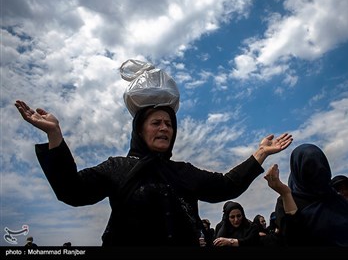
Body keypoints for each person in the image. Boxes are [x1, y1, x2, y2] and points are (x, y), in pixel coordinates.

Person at [14, 100, 293, 246]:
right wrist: (55, 135)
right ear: (139, 129)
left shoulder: (183, 172)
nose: (164, 128)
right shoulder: (117, 168)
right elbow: (71, 192)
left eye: (169, 124)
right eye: (156, 122)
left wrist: (260, 154)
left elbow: (226, 186)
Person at [264, 143, 348, 247]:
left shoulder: (337, 200)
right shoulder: (287, 201)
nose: (317, 173)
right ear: (299, 170)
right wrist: (286, 195)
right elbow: (293, 240)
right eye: (309, 169)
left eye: (321, 167)